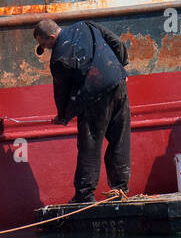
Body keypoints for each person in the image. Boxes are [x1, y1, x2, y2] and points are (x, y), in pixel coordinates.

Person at [33, 17, 131, 204]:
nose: (45, 49)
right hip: (118, 84)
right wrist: (121, 69)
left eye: (44, 44)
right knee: (120, 136)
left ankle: (84, 195)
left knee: (90, 143)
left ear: (51, 37)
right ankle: (120, 190)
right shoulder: (87, 25)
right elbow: (116, 42)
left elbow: (62, 92)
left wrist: (62, 116)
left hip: (93, 96)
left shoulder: (59, 58)